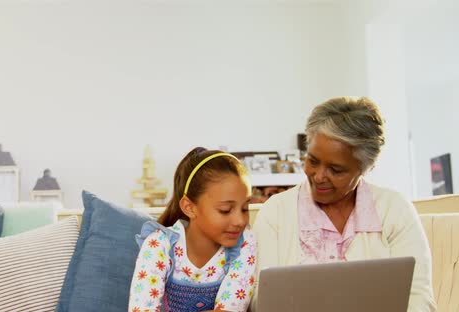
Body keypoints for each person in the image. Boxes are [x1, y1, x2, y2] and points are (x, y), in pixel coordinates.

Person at [251, 97, 436, 311]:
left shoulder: (394, 209)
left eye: (336, 170)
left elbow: (419, 298)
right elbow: (260, 300)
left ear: (365, 168)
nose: (319, 176)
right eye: (312, 160)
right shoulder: (275, 212)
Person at [128, 147, 257, 312]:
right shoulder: (160, 245)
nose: (240, 221)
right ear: (189, 207)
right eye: (225, 210)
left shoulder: (244, 243)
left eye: (245, 208)